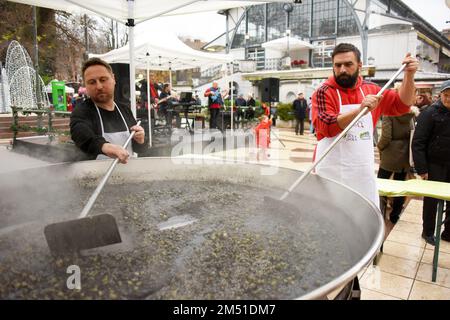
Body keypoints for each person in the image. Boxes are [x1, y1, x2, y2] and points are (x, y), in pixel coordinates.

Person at [312, 43, 418, 207]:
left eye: (348, 64)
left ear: (359, 66)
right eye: (337, 65)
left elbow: (402, 104)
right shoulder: (324, 91)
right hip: (331, 171)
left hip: (361, 172)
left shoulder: (372, 89)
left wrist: (409, 75)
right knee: (329, 215)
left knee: (361, 216)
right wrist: (359, 110)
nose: (342, 70)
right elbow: (325, 126)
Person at [70, 58, 146, 164]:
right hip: (96, 176)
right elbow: (81, 134)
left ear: (113, 79)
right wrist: (105, 146)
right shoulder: (83, 111)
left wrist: (140, 140)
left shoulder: (124, 110)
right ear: (86, 86)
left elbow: (139, 149)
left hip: (129, 175)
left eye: (103, 80)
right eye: (92, 82)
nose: (99, 86)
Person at [412, 80, 450, 246]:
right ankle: (427, 231)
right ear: (440, 94)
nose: (449, 99)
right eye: (446, 95)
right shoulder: (429, 113)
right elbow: (418, 142)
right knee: (431, 201)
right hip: (434, 164)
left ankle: (448, 232)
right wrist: (422, 169)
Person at [377, 109, 416, 224]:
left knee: (381, 184)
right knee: (400, 186)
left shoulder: (389, 113)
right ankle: (395, 215)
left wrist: (379, 147)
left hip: (390, 154)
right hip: (405, 154)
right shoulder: (411, 114)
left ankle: (380, 212)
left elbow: (386, 137)